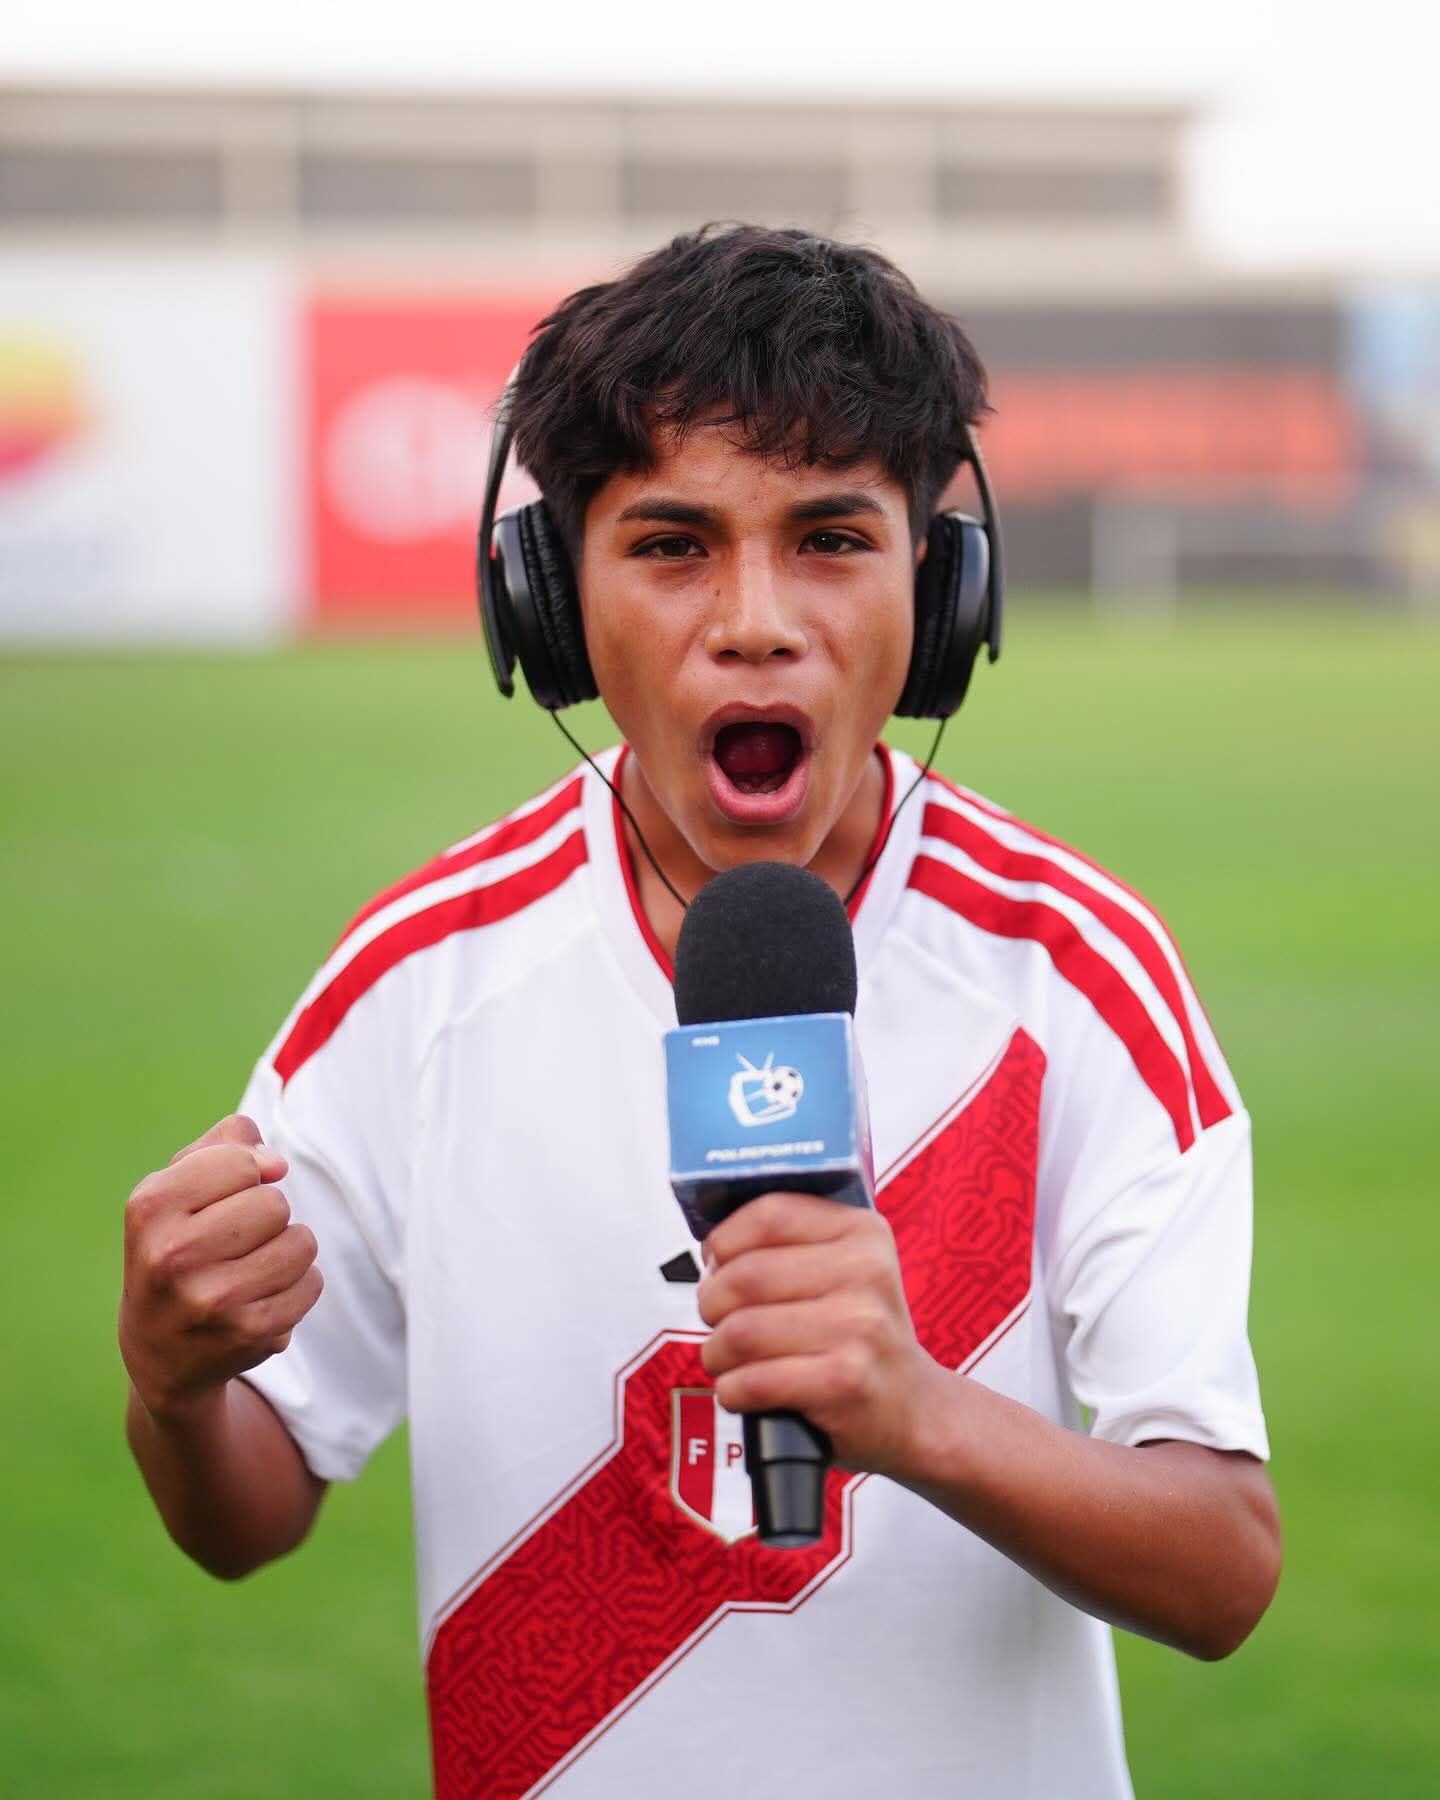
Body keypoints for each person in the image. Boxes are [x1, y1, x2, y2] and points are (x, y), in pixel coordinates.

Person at [119, 225, 1281, 1799]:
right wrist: (178, 1385)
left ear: (941, 589)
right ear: (547, 600)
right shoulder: (420, 983)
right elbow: (245, 1514)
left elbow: (1222, 1565)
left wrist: (921, 1416)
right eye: (671, 545)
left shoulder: (1074, 974)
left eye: (831, 538)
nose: (754, 619)